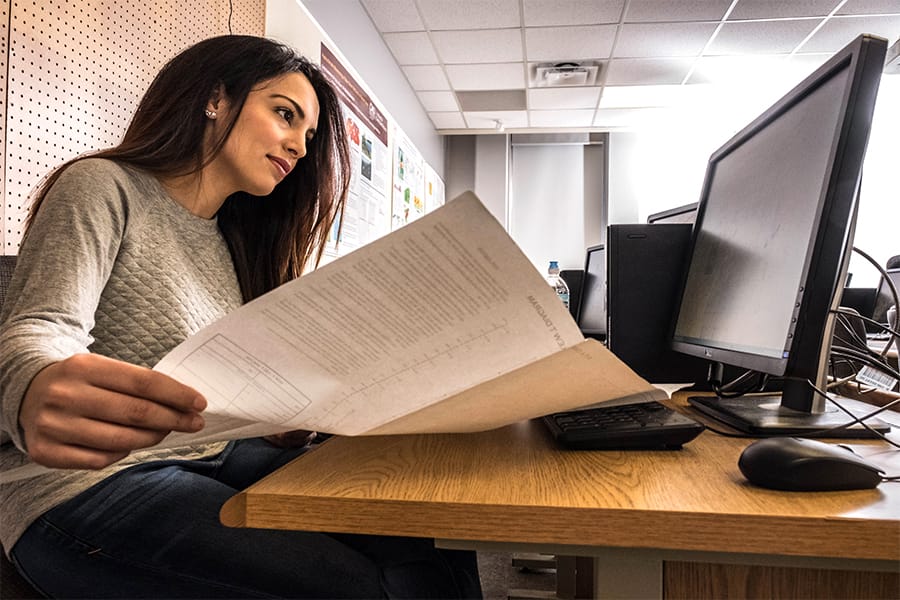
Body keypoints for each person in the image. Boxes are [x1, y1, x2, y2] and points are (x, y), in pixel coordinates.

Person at [0, 35, 482, 599]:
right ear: (215, 99)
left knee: (424, 528)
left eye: (307, 134)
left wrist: (289, 411)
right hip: (87, 483)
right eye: (285, 114)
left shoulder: (237, 241)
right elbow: (40, 329)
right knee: (355, 587)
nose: (299, 146)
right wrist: (31, 384)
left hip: (218, 455)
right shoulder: (104, 185)